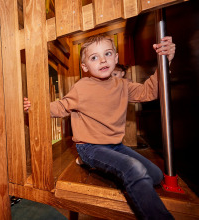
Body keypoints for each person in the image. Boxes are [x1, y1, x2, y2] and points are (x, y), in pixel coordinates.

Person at [24, 34, 176, 220]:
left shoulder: (123, 85)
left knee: (155, 175)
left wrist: (165, 61)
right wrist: (35, 107)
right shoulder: (82, 87)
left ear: (116, 58)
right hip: (89, 147)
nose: (103, 60)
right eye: (94, 57)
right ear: (85, 67)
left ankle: (98, 166)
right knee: (133, 169)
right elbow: (61, 107)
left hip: (115, 146)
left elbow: (149, 92)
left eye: (108, 53)